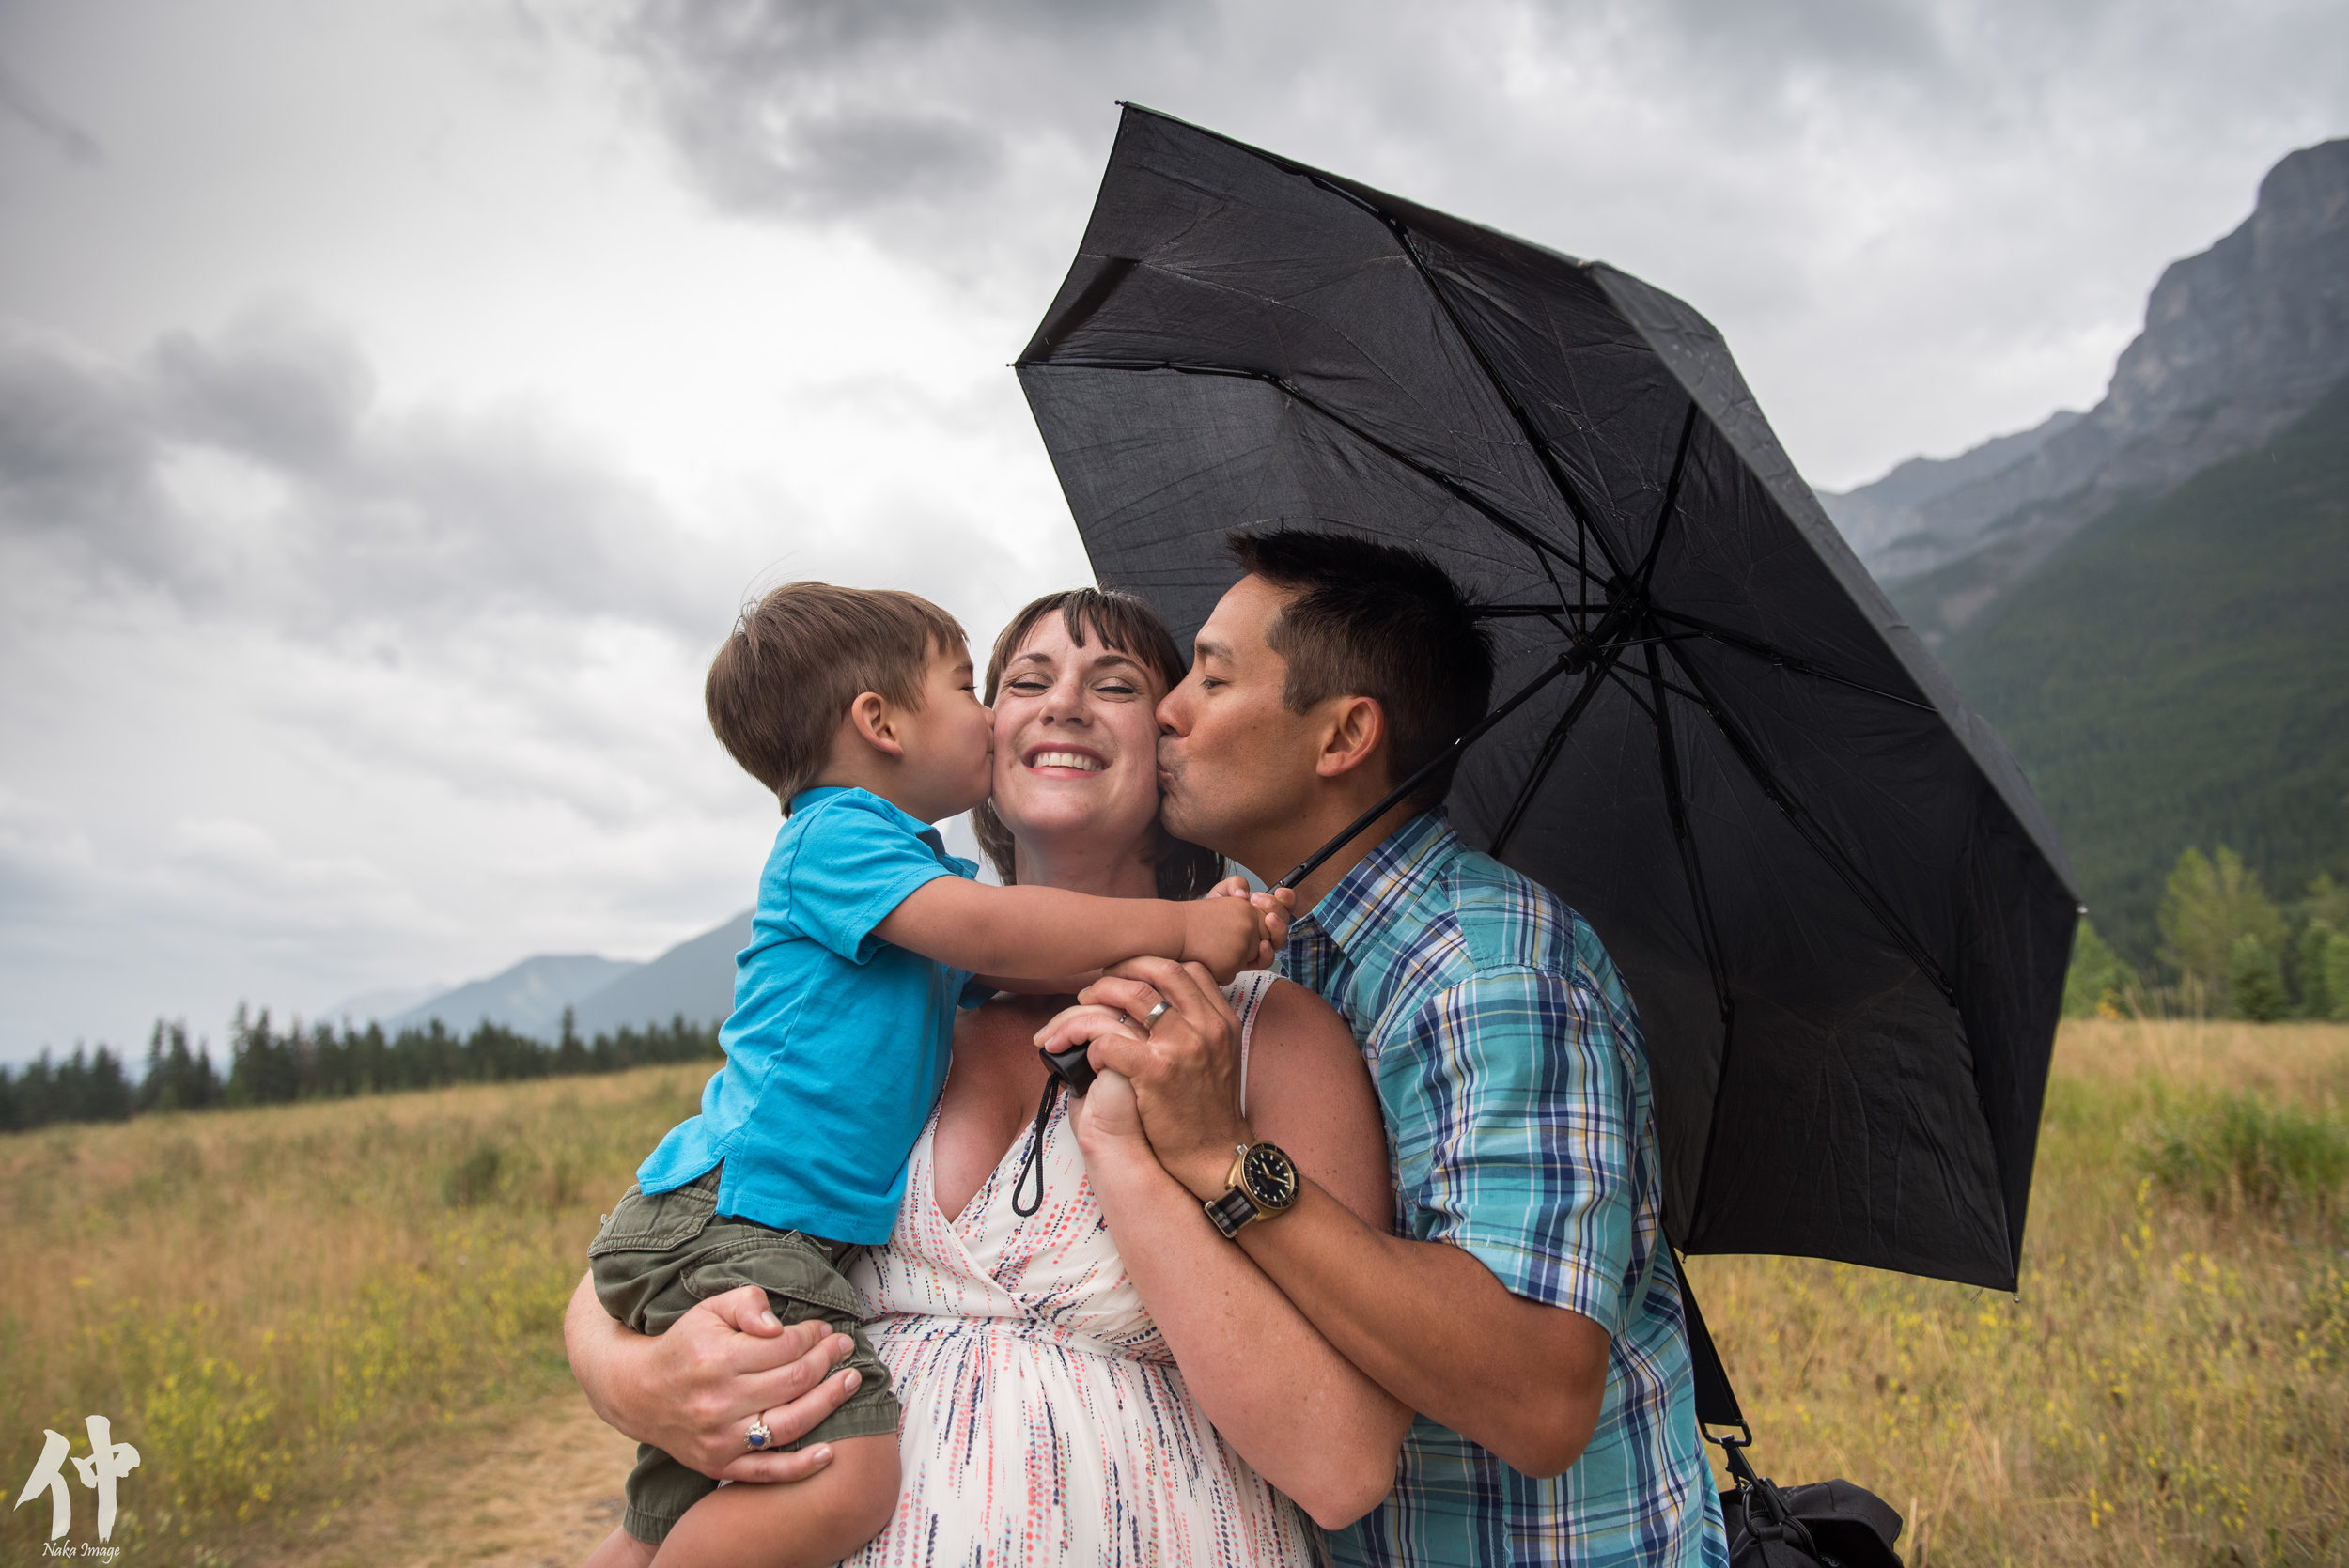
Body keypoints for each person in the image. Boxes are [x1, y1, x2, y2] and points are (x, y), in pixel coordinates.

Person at [568, 587, 1409, 1568]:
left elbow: (1343, 1465)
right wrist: (626, 1376)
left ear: (1172, 736)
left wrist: (1132, 1150)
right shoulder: (900, 989)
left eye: (1115, 683)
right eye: (1018, 682)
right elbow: (681, 1230)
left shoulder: (1268, 1033)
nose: (1060, 705)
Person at [1042, 530, 1727, 1566]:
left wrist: (1224, 1162)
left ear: (1342, 736)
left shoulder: (1490, 974)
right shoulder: (1290, 955)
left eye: (1212, 679)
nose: (1167, 710)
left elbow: (1539, 1394)